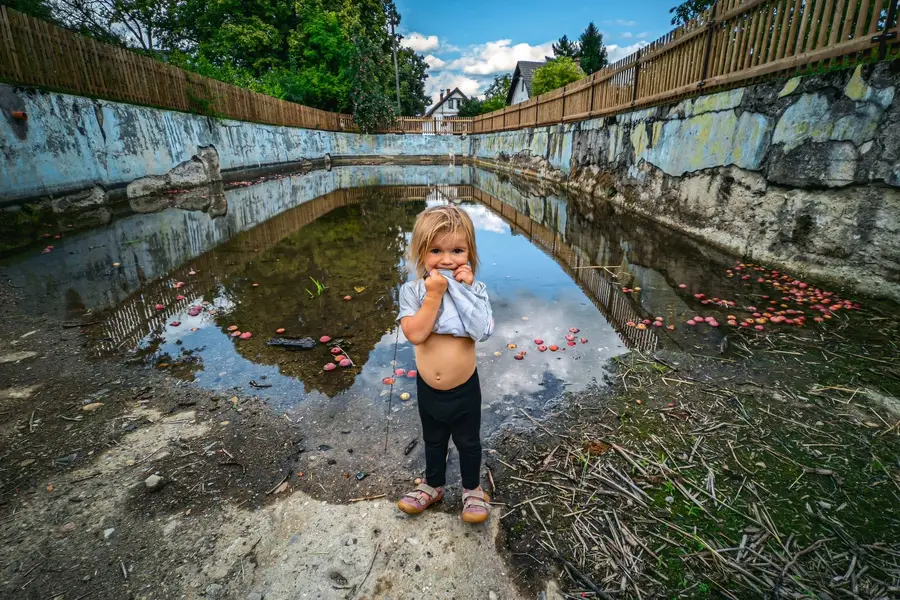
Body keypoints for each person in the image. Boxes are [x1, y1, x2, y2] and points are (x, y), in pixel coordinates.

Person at [395, 205, 494, 524]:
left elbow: (483, 330)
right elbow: (416, 334)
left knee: (468, 441)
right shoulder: (411, 291)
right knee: (433, 439)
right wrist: (434, 296)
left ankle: (472, 489)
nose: (448, 259)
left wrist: (464, 291)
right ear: (421, 253)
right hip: (429, 389)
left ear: (470, 252)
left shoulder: (475, 290)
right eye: (436, 250)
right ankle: (433, 485)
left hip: (465, 389)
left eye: (457, 250)